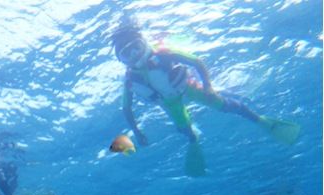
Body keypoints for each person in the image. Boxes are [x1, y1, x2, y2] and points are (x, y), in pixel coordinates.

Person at [111, 19, 300, 176]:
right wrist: (136, 131)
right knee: (185, 130)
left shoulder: (165, 54)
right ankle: (193, 140)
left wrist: (209, 87)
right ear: (122, 60)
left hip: (189, 87)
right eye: (127, 53)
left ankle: (260, 120)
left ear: (143, 42)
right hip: (171, 102)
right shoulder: (130, 79)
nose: (134, 54)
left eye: (136, 47)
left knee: (223, 105)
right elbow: (126, 109)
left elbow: (196, 62)